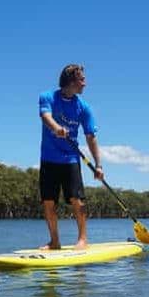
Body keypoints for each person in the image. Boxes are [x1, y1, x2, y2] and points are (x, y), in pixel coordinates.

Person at [38, 64, 103, 250]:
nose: (85, 83)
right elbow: (45, 116)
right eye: (82, 79)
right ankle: (55, 241)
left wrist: (98, 165)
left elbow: (91, 137)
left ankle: (83, 239)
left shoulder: (84, 108)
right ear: (71, 82)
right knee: (48, 201)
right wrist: (56, 128)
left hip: (70, 159)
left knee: (77, 199)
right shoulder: (47, 97)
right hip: (48, 158)